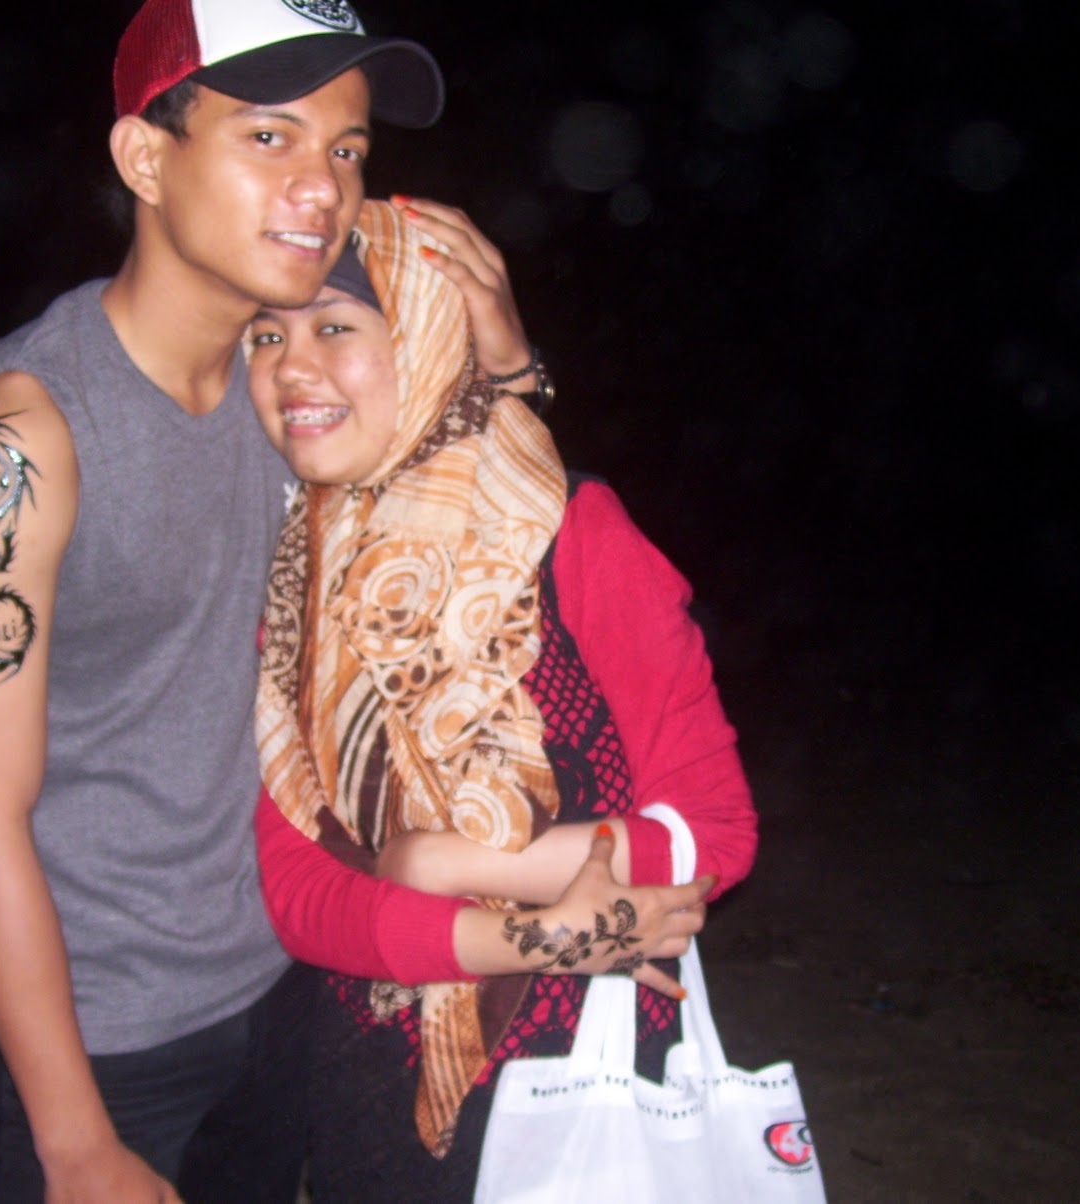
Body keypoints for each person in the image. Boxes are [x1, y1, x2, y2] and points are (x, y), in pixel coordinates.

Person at [0, 3, 483, 1201]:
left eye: (347, 147)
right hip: (100, 1030)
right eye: (269, 136)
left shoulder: (301, 397)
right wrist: (73, 1140)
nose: (323, 186)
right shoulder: (16, 440)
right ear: (143, 158)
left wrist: (513, 351)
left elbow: (509, 525)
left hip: (284, 978)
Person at [246, 199, 760, 1199]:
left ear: (429, 338)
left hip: (586, 1085)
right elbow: (297, 893)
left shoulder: (569, 529)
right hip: (371, 1087)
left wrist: (452, 863)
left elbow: (715, 831)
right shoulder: (291, 579)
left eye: (337, 327)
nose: (291, 368)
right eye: (266, 335)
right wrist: (535, 933)